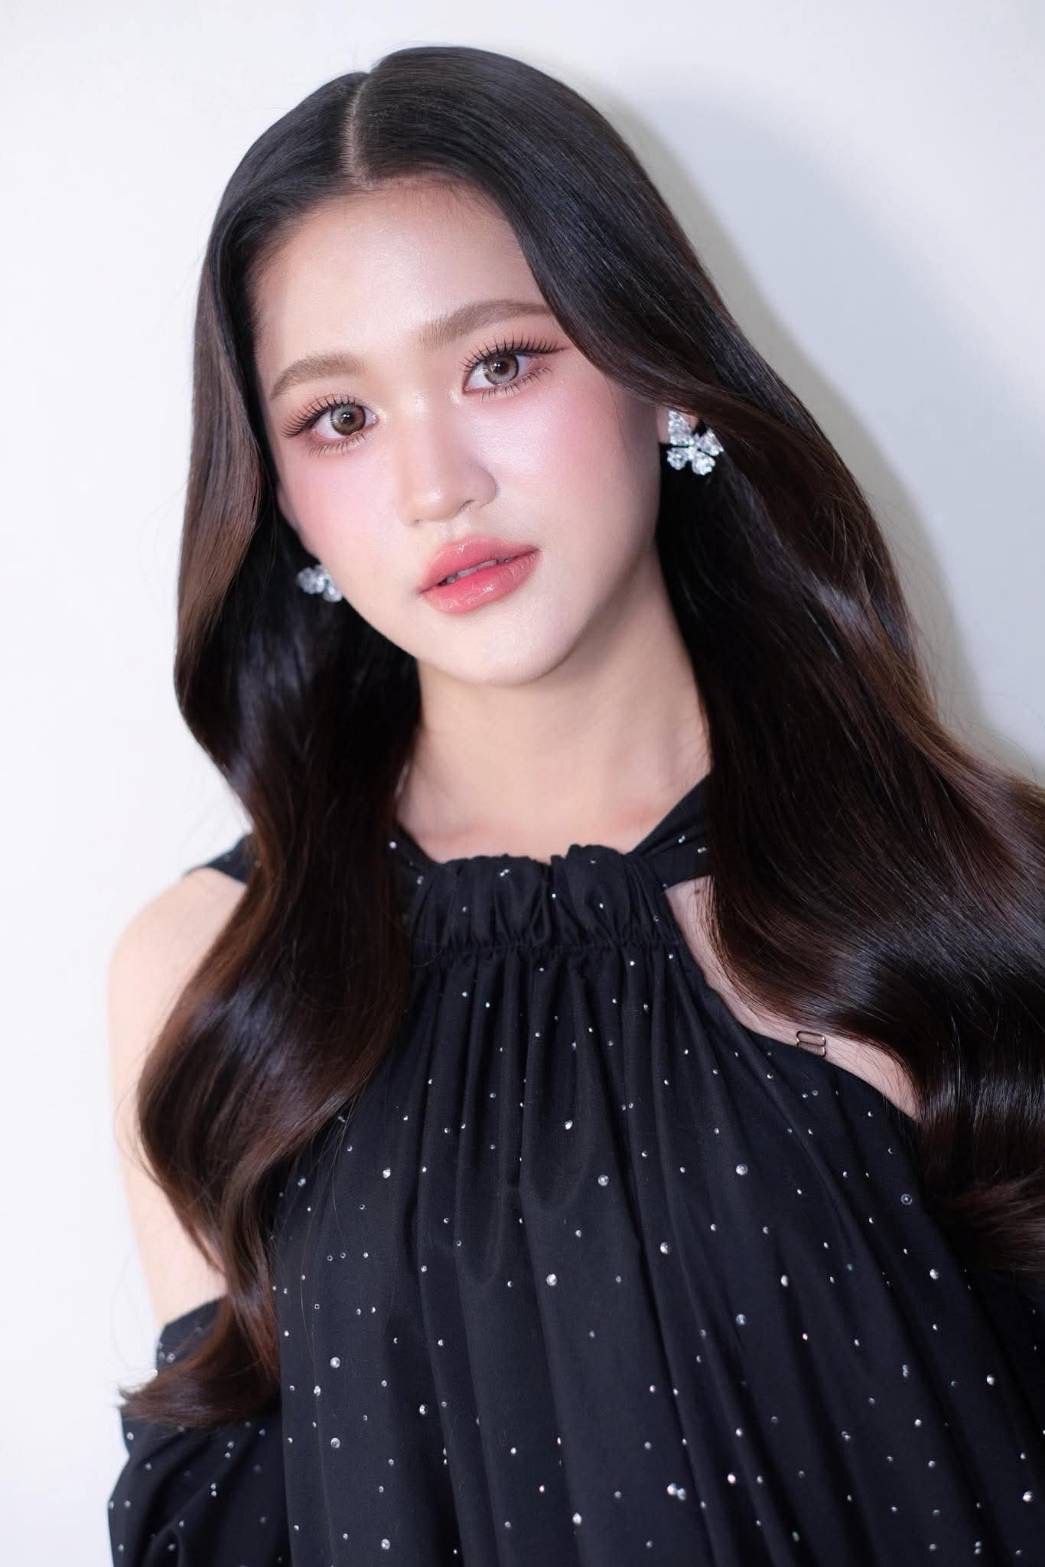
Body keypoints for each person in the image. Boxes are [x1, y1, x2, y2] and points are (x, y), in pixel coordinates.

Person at [106, 42, 1045, 1566]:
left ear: (656, 371)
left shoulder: (975, 880)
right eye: (339, 418)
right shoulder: (211, 974)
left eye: (499, 363)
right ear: (277, 496)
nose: (436, 486)